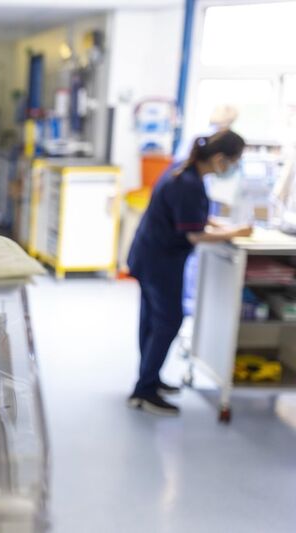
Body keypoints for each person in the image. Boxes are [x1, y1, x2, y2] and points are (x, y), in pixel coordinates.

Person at [127, 130, 252, 416]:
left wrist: (221, 226)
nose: (232, 168)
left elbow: (191, 217)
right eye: (233, 162)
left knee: (151, 320)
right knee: (169, 320)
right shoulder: (189, 183)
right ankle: (144, 390)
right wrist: (237, 231)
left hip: (149, 254)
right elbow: (194, 234)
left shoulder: (182, 169)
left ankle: (148, 380)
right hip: (160, 260)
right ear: (220, 159)